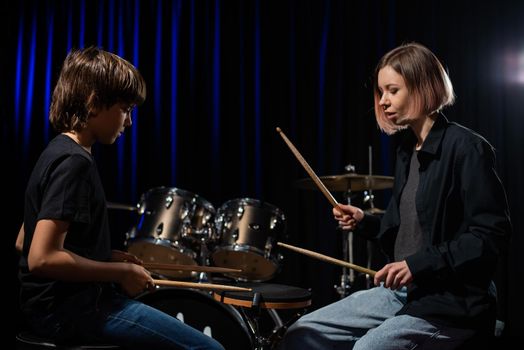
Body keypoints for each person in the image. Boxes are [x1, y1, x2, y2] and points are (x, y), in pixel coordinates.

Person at [278, 42, 511, 349]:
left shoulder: (467, 148)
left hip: (452, 302)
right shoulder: (406, 151)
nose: (383, 101)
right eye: (381, 92)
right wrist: (364, 221)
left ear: (423, 87)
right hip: (402, 293)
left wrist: (418, 264)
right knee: (301, 334)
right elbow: (408, 231)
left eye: (392, 90)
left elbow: (489, 234)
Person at [16, 46, 224, 350]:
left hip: (49, 308)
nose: (129, 122)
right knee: (209, 348)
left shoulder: (55, 151)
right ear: (94, 103)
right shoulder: (75, 163)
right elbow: (41, 257)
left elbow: (23, 240)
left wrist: (104, 255)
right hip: (70, 311)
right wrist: (119, 272)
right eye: (126, 109)